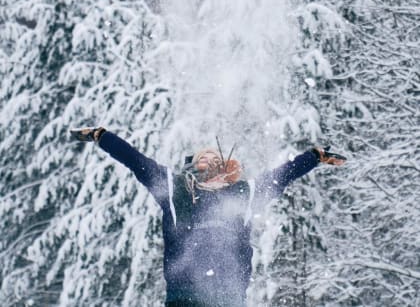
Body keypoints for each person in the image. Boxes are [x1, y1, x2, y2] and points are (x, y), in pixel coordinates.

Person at [71, 127, 346, 307]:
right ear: (193, 166)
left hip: (230, 298)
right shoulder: (175, 189)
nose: (212, 163)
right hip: (183, 298)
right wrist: (101, 137)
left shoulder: (242, 194)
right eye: (205, 159)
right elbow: (135, 160)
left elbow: (281, 176)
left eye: (217, 160)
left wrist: (314, 157)